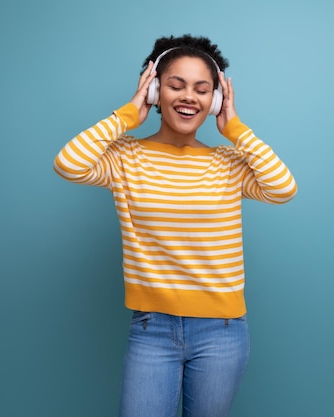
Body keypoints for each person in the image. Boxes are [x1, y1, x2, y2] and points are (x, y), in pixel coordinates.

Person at [53, 34, 297, 417]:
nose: (189, 97)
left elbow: (283, 189)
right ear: (154, 91)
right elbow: (69, 163)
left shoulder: (228, 162)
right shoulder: (125, 157)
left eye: (202, 90)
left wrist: (235, 129)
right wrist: (126, 114)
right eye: (175, 85)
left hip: (223, 331)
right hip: (153, 330)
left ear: (215, 100)